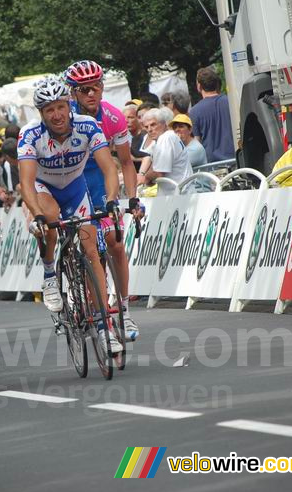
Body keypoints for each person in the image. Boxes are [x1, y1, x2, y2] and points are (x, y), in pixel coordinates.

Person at [17, 77, 123, 353]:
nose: (57, 115)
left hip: (76, 189)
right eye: (49, 110)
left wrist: (112, 200)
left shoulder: (87, 126)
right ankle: (50, 272)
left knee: (90, 248)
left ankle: (104, 327)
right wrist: (36, 214)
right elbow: (26, 183)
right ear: (41, 113)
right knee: (49, 219)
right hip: (44, 188)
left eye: (61, 107)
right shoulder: (30, 135)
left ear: (69, 105)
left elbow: (109, 168)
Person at [65, 60, 140, 338]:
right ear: (73, 93)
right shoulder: (65, 118)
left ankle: (124, 311)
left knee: (116, 244)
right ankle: (87, 303)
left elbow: (126, 163)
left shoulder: (113, 117)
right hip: (71, 183)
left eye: (96, 87)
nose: (91, 94)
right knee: (89, 249)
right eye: (84, 90)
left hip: (99, 182)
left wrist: (132, 199)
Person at [142, 107, 193, 195]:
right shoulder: (165, 138)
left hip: (180, 195)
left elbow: (159, 172)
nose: (149, 129)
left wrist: (145, 178)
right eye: (146, 127)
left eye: (153, 124)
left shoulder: (166, 138)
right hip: (178, 194)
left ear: (163, 124)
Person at [190, 66, 236, 162]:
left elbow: (197, 142)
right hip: (235, 159)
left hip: (211, 165)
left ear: (199, 86)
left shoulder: (194, 111)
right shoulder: (231, 102)